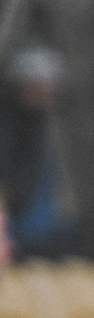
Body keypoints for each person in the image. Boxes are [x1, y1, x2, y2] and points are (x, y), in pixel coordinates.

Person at [0, 45, 78, 256]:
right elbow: (15, 192)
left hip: (34, 227)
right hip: (21, 230)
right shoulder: (11, 130)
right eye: (40, 86)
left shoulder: (37, 128)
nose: (48, 93)